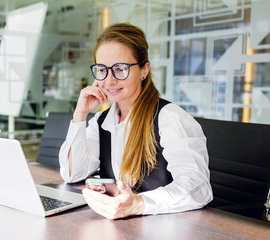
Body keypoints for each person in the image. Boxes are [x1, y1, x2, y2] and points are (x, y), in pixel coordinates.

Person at [59, 23, 213, 219]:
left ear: (144, 70)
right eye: (101, 70)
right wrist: (80, 115)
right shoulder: (102, 121)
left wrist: (137, 204)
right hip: (124, 226)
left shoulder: (169, 118)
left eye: (120, 69)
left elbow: (198, 187)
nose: (109, 81)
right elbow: (73, 174)